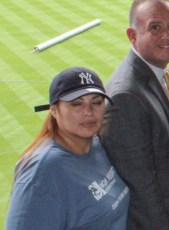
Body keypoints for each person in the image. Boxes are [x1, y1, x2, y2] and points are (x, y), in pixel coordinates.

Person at [100, 0, 169, 229]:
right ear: (132, 36)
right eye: (155, 28)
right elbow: (142, 190)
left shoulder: (158, 69)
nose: (168, 36)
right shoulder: (125, 96)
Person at [7, 67, 130, 230]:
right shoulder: (42, 172)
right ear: (54, 110)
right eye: (76, 104)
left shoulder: (96, 144)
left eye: (97, 102)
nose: (89, 112)